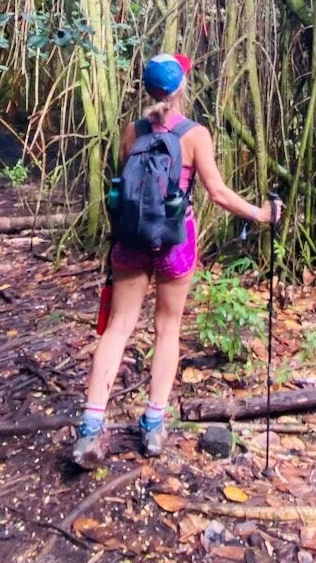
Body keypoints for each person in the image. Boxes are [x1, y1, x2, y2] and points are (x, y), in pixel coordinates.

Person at [73, 52, 283, 465]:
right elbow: (218, 194)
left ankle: (90, 429)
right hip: (174, 242)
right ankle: (153, 427)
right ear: (181, 88)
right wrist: (260, 214)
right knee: (167, 330)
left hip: (130, 241)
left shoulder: (130, 131)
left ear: (148, 89)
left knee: (117, 330)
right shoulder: (194, 134)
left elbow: (126, 189)